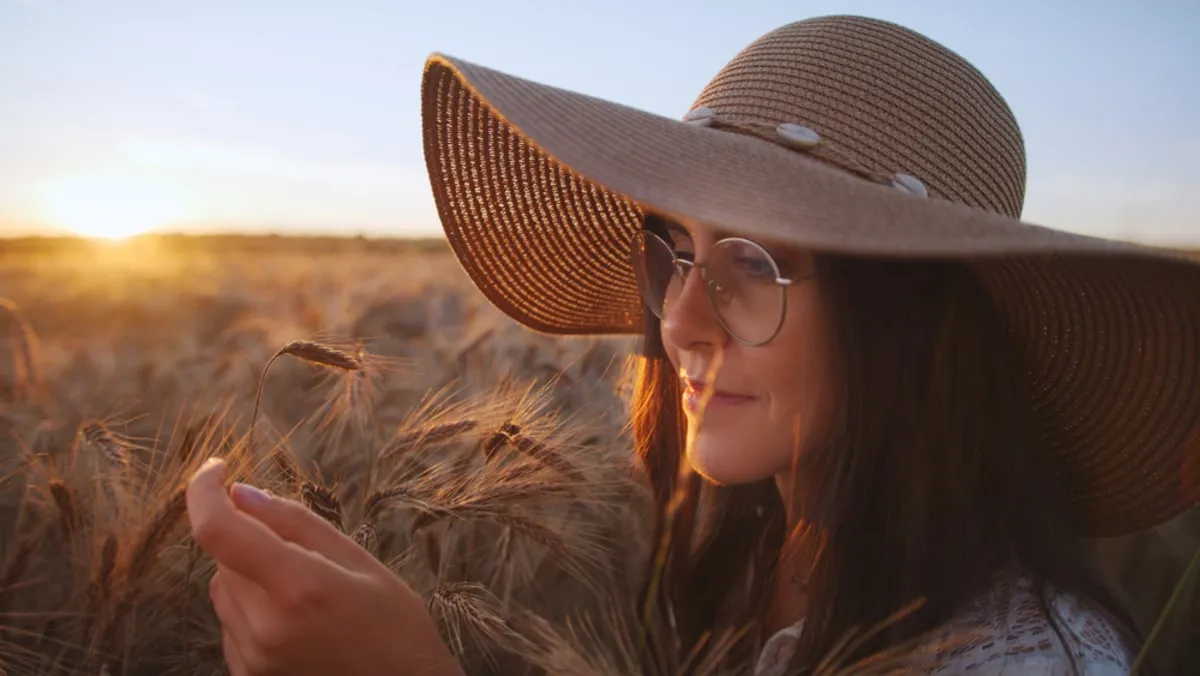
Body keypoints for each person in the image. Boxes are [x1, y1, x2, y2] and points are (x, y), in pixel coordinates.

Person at [185, 14, 1200, 676]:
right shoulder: (761, 550)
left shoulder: (1023, 662)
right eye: (671, 250)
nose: (677, 322)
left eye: (755, 262)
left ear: (919, 326)